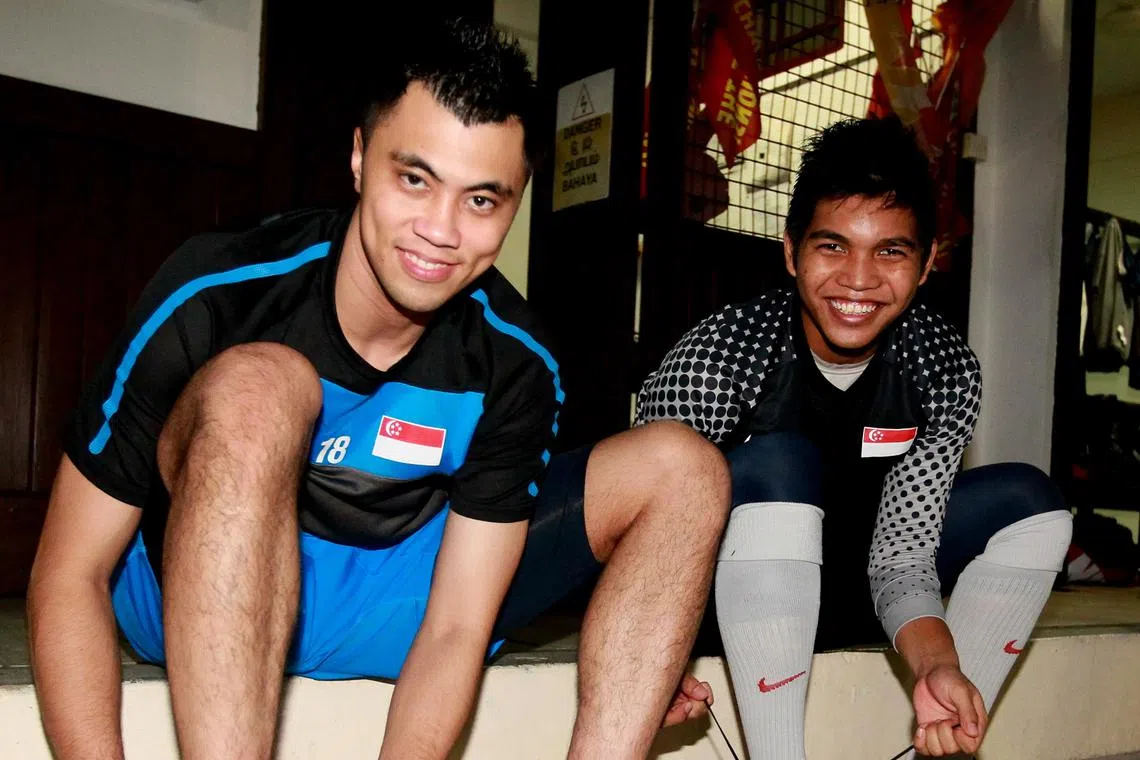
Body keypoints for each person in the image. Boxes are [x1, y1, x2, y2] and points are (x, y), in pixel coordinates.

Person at [28, 20, 730, 760]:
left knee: (686, 469)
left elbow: (458, 623)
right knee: (260, 385)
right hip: (198, 584)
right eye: (415, 178)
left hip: (397, 600)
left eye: (482, 201)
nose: (440, 230)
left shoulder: (517, 360)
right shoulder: (219, 291)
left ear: (517, 202)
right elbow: (70, 570)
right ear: (361, 158)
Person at [637, 117, 1073, 758]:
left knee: (1034, 504)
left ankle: (941, 737)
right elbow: (646, 539)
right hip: (737, 594)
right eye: (832, 246)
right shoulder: (718, 356)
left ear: (926, 264)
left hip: (863, 584)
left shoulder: (944, 368)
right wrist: (658, 654)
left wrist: (936, 664)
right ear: (791, 252)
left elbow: (901, 559)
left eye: (890, 252)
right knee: (782, 460)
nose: (859, 279)